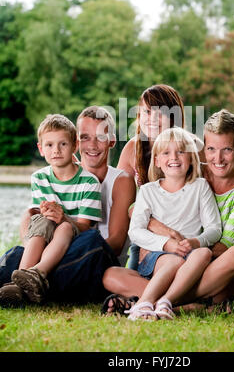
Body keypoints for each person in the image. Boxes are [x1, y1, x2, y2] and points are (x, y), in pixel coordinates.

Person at [102, 95, 234, 314]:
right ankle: (189, 306)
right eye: (211, 149)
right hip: (167, 258)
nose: (218, 158)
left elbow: (222, 246)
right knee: (111, 275)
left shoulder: (205, 182)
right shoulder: (193, 173)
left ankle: (151, 301)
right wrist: (160, 237)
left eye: (227, 149)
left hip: (209, 264)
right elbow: (131, 206)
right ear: (203, 151)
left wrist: (188, 248)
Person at [0, 106, 136, 306]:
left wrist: (64, 225)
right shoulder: (61, 173)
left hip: (94, 257)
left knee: (91, 238)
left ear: (111, 141)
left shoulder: (120, 180)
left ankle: (37, 282)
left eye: (100, 137)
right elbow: (33, 219)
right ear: (76, 142)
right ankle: (28, 283)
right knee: (14, 256)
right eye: (85, 137)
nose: (92, 145)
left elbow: (114, 244)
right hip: (57, 254)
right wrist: (38, 245)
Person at [124, 127, 222, 320]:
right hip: (156, 256)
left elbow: (214, 229)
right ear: (157, 160)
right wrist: (165, 244)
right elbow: (135, 231)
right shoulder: (148, 191)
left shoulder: (200, 187)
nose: (174, 157)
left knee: (204, 252)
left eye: (180, 151)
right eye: (166, 152)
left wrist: (196, 242)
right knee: (172, 260)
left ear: (192, 158)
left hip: (189, 254)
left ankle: (165, 302)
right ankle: (144, 303)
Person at [3, 114, 102, 304]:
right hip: (46, 238)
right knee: (41, 219)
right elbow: (39, 220)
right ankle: (21, 281)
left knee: (64, 226)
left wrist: (64, 218)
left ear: (75, 146)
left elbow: (84, 226)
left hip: (74, 242)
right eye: (49, 145)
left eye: (63, 144)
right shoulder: (39, 178)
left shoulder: (89, 182)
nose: (56, 150)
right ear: (41, 149)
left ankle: (38, 273)